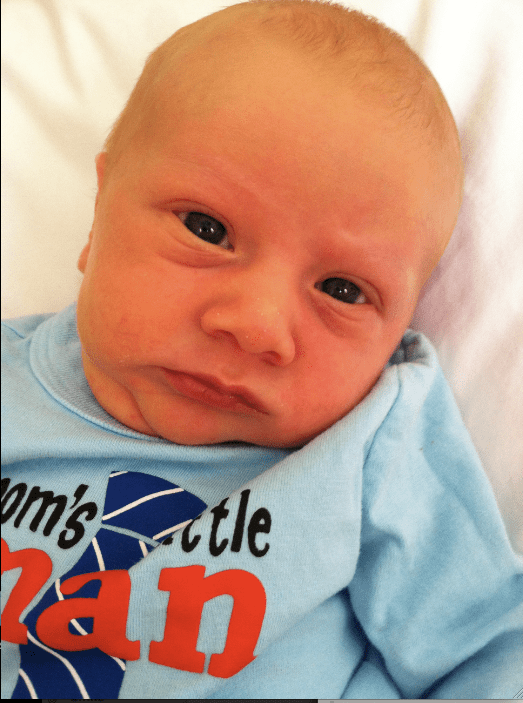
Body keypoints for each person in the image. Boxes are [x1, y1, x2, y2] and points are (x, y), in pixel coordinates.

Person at [2, 1, 521, 699]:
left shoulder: (374, 441)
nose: (256, 326)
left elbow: (487, 650)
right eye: (205, 229)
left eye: (342, 289)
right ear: (98, 216)